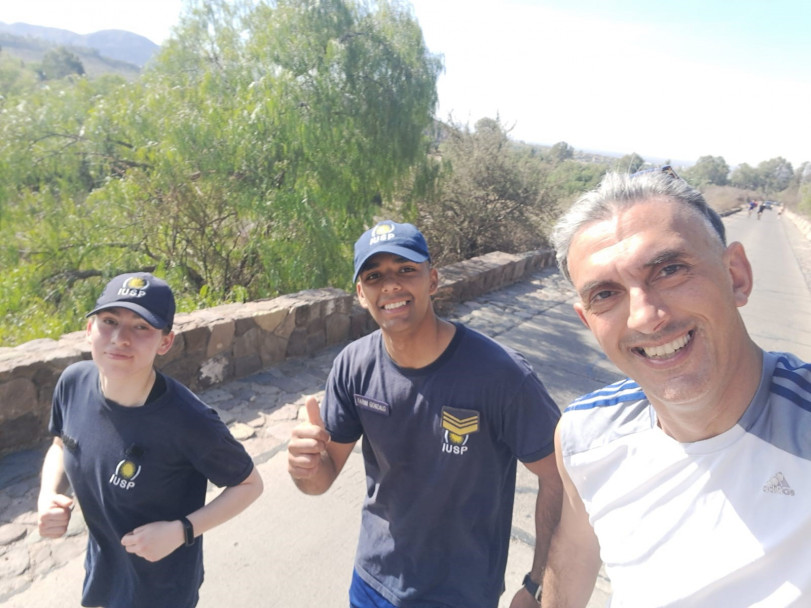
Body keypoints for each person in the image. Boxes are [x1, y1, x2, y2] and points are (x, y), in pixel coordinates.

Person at [541, 168, 811, 607]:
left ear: (736, 275)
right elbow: (573, 554)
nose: (645, 317)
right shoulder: (585, 434)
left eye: (670, 270)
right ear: (587, 321)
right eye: (605, 295)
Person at [287, 221, 563, 608]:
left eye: (405, 270)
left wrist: (539, 587)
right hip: (372, 583)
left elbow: (561, 478)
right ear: (361, 294)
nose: (391, 286)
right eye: (374, 276)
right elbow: (319, 481)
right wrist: (304, 466)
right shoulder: (354, 365)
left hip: (461, 594)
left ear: (432, 280)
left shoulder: (500, 374)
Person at [37, 272, 264, 608]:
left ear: (165, 342)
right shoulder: (73, 383)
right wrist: (47, 495)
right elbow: (60, 443)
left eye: (141, 326)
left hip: (161, 590)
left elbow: (249, 485)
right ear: (89, 330)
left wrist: (181, 531)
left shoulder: (187, 419)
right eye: (109, 321)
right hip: (102, 572)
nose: (120, 338)